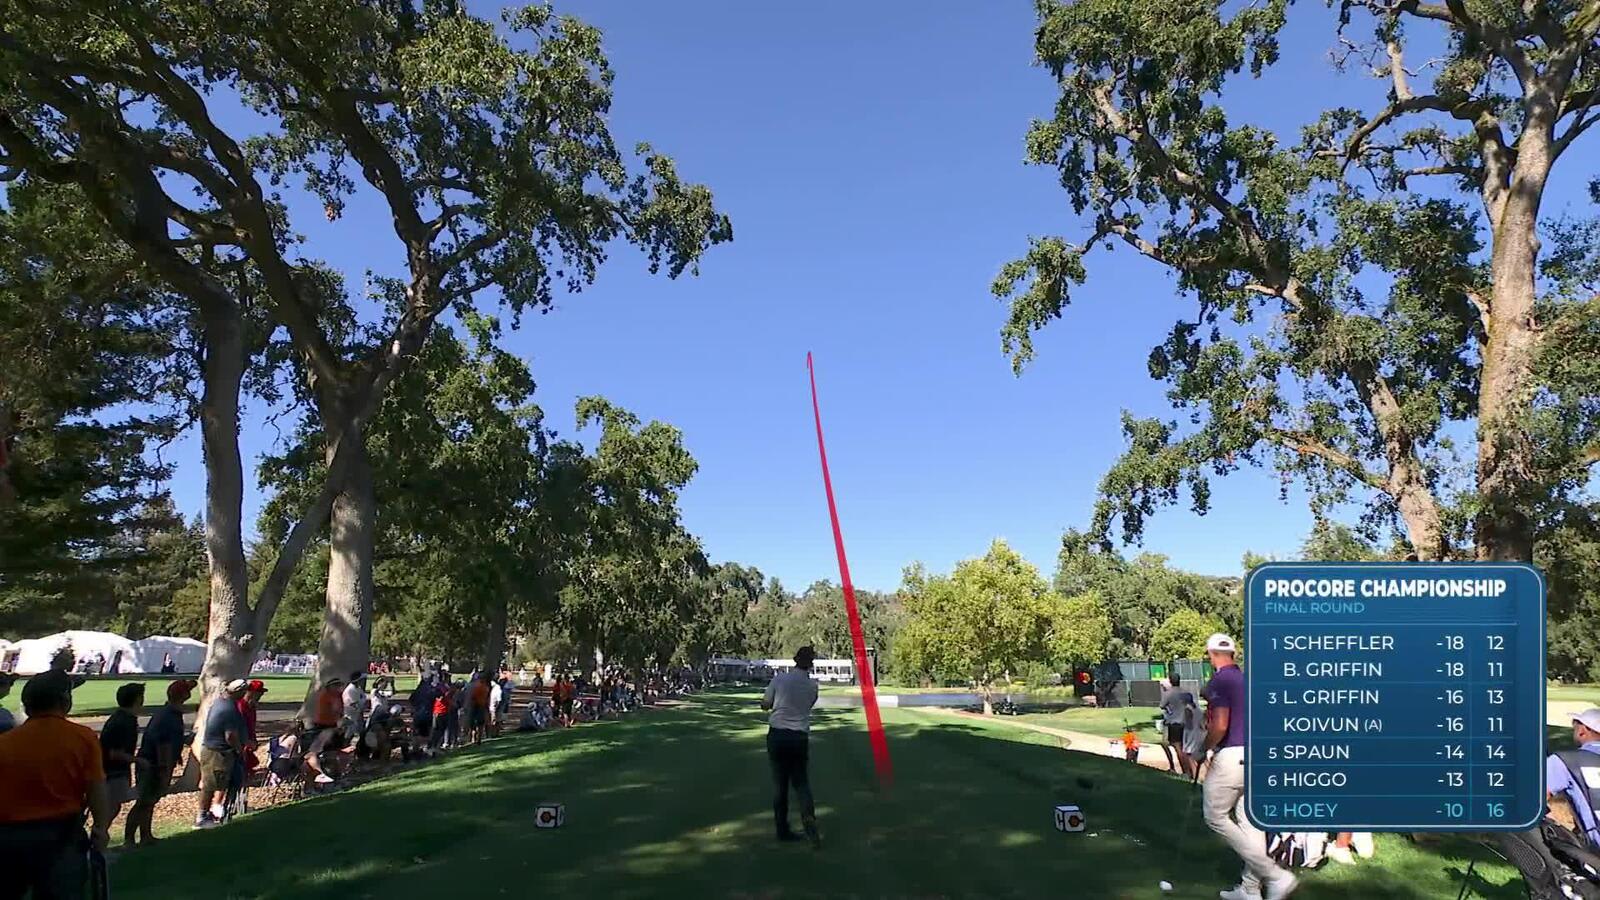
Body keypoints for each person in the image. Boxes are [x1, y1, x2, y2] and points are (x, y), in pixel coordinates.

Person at [1198, 633, 1296, 900]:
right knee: (1250, 823)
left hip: (1232, 755)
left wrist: (1201, 748)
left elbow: (1219, 725)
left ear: (1211, 654)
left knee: (1215, 816)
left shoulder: (1220, 680)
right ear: (1233, 654)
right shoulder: (1248, 680)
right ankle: (1250, 890)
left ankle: (1276, 876)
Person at [0, 669, 112, 896]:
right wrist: (100, 828)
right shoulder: (82, 737)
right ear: (64, 700)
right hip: (60, 837)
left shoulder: (5, 742)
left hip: (8, 838)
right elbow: (96, 788)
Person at [761, 646, 821, 849]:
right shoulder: (812, 686)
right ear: (811, 664)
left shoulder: (779, 679)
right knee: (802, 784)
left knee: (780, 786)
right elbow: (807, 706)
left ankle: (782, 830)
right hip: (799, 736)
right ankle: (809, 821)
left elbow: (766, 704)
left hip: (778, 734)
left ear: (795, 660)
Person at [128, 679, 194, 845]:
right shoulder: (169, 715)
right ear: (183, 695)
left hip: (157, 762)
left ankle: (145, 835)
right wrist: (164, 770)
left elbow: (171, 740)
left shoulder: (170, 712)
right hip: (153, 764)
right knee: (144, 801)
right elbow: (163, 744)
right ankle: (129, 839)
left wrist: (185, 740)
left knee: (150, 801)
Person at [195, 679, 248, 828]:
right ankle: (202, 817)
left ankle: (212, 813)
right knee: (210, 784)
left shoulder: (221, 702)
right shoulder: (228, 709)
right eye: (243, 691)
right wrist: (239, 749)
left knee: (218, 783)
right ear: (237, 691)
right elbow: (230, 736)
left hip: (217, 751)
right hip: (218, 752)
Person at [99, 683, 145, 839]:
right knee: (111, 807)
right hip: (113, 771)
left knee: (113, 806)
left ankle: (98, 837)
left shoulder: (121, 717)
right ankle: (98, 839)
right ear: (137, 699)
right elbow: (114, 753)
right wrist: (138, 760)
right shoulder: (125, 722)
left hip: (113, 770)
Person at [1160, 671, 1195, 778]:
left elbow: (1162, 705)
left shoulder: (1169, 693)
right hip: (1186, 722)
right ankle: (1191, 772)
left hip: (1174, 723)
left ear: (1170, 681)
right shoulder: (1186, 693)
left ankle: (1186, 772)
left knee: (1178, 747)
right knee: (1186, 748)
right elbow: (1192, 706)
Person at [341, 671, 367, 746]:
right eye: (362, 679)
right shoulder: (350, 690)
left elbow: (363, 698)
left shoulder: (357, 689)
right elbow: (354, 704)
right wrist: (361, 704)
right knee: (349, 735)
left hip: (356, 715)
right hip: (350, 716)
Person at [469, 672, 492, 745]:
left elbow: (473, 697)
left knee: (474, 723)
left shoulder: (477, 686)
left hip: (476, 706)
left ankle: (473, 738)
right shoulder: (485, 687)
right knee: (480, 723)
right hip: (482, 706)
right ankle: (478, 739)